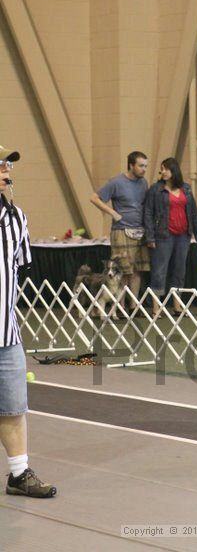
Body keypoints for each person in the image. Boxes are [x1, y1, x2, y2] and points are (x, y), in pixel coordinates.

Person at [0, 145, 56, 497]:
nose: (6, 170)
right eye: (0, 165)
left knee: (13, 405)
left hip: (6, 333)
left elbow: (21, 267)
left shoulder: (17, 217)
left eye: (7, 165)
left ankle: (18, 474)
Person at [90, 151, 150, 311]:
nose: (144, 169)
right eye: (141, 166)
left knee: (138, 270)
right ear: (131, 165)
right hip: (121, 230)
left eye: (145, 166)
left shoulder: (144, 183)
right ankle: (119, 306)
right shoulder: (116, 182)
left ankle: (134, 305)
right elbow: (94, 198)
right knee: (123, 270)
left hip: (140, 230)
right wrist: (112, 212)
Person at [144, 157, 197, 317]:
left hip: (183, 236)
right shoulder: (156, 190)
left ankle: (177, 306)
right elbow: (148, 213)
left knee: (179, 270)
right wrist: (150, 237)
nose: (162, 172)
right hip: (163, 235)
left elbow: (194, 214)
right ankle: (156, 307)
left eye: (165, 169)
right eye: (161, 169)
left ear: (173, 171)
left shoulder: (187, 189)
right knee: (159, 270)